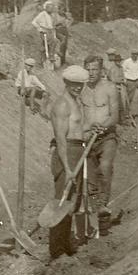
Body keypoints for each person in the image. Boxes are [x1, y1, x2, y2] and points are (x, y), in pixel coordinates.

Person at [48, 64, 90, 258]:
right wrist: (67, 168)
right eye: (74, 84)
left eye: (80, 85)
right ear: (65, 82)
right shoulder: (62, 104)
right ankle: (56, 250)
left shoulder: (75, 102)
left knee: (72, 200)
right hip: (67, 154)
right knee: (62, 200)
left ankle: (65, 244)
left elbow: (78, 130)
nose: (77, 88)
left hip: (77, 151)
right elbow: (61, 138)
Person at [80, 55, 118, 229]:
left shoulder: (110, 88)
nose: (91, 73)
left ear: (101, 70)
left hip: (107, 137)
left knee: (105, 167)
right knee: (90, 180)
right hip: (88, 138)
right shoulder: (81, 90)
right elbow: (78, 117)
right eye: (88, 69)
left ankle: (103, 205)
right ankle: (94, 214)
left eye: (94, 69)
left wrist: (102, 127)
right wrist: (86, 129)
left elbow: (115, 116)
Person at [31, 0, 57, 66]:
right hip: (44, 31)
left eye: (52, 8)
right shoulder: (42, 14)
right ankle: (50, 56)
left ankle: (44, 60)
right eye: (49, 7)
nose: (51, 9)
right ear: (46, 7)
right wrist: (40, 29)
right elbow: (34, 22)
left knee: (46, 46)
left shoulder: (51, 15)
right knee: (53, 41)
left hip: (50, 31)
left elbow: (51, 25)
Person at [52, 0, 70, 67]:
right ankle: (59, 56)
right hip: (58, 30)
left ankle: (63, 61)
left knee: (65, 46)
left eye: (64, 10)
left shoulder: (65, 15)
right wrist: (60, 23)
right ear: (58, 10)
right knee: (62, 42)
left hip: (65, 30)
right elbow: (53, 24)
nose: (63, 12)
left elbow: (69, 21)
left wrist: (67, 23)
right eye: (61, 10)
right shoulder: (55, 16)